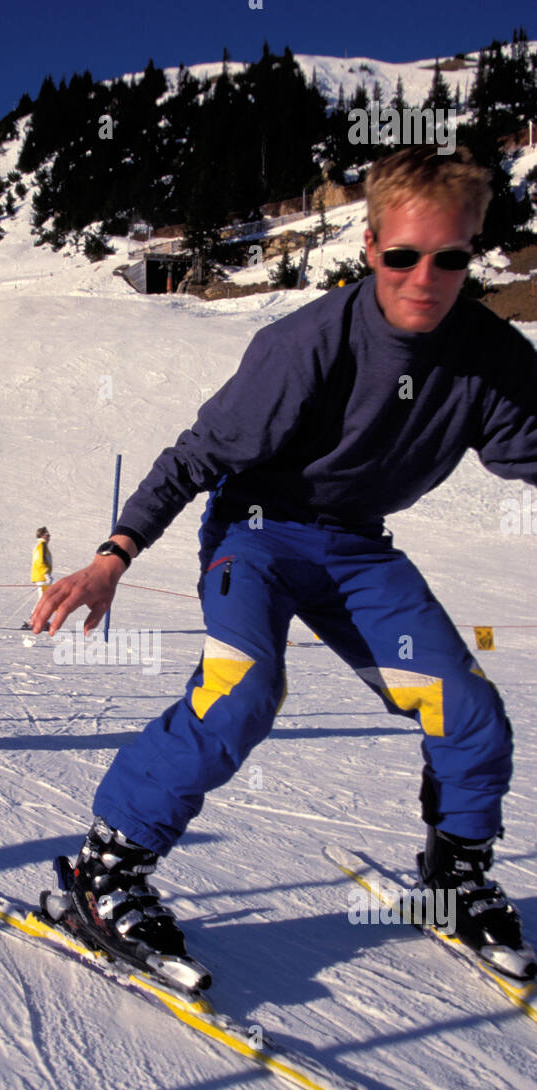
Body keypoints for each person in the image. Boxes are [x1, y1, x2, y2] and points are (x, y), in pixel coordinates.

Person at [32, 145, 537, 983]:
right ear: (371, 246)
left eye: (449, 257)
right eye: (403, 255)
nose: (424, 278)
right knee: (244, 688)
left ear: (472, 252)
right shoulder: (307, 344)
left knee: (466, 707)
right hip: (256, 534)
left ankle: (454, 875)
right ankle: (104, 870)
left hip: (356, 548)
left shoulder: (491, 356)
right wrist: (114, 557)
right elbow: (194, 457)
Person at [23, 527, 52, 630]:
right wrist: (46, 574)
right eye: (47, 535)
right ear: (42, 535)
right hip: (42, 577)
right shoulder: (42, 546)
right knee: (43, 599)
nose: (49, 537)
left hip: (41, 576)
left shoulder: (42, 546)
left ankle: (39, 620)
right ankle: (34, 620)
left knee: (44, 599)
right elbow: (39, 562)